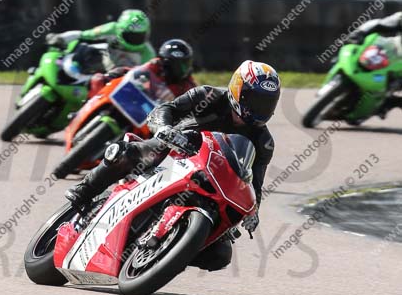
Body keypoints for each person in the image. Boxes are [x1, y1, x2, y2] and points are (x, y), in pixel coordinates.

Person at [66, 59, 280, 271]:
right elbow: (166, 109)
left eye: (266, 103)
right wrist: (164, 128)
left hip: (214, 182)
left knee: (220, 255)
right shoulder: (207, 96)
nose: (259, 108)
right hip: (172, 151)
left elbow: (254, 182)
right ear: (237, 89)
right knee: (127, 153)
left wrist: (253, 212)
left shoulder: (263, 141)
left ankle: (168, 251)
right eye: (255, 100)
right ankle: (83, 192)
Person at [87, 38, 197, 98]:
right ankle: (88, 104)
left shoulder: (189, 87)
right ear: (163, 60)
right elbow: (135, 71)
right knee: (98, 79)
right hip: (137, 98)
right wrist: (112, 76)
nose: (176, 68)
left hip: (156, 119)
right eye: (171, 63)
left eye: (181, 64)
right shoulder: (156, 64)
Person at [46, 9, 155, 68]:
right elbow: (84, 34)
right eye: (130, 35)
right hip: (104, 66)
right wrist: (60, 38)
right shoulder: (111, 28)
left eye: (139, 36)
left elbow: (148, 77)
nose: (135, 39)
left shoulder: (148, 53)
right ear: (119, 30)